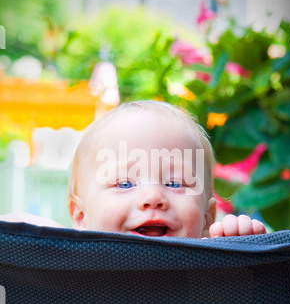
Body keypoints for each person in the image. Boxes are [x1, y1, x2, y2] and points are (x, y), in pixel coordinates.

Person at [0, 100, 266, 238]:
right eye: (125, 183)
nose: (153, 198)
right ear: (81, 216)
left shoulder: (212, 278)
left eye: (175, 183)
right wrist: (30, 240)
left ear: (207, 219)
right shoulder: (69, 274)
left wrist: (243, 253)